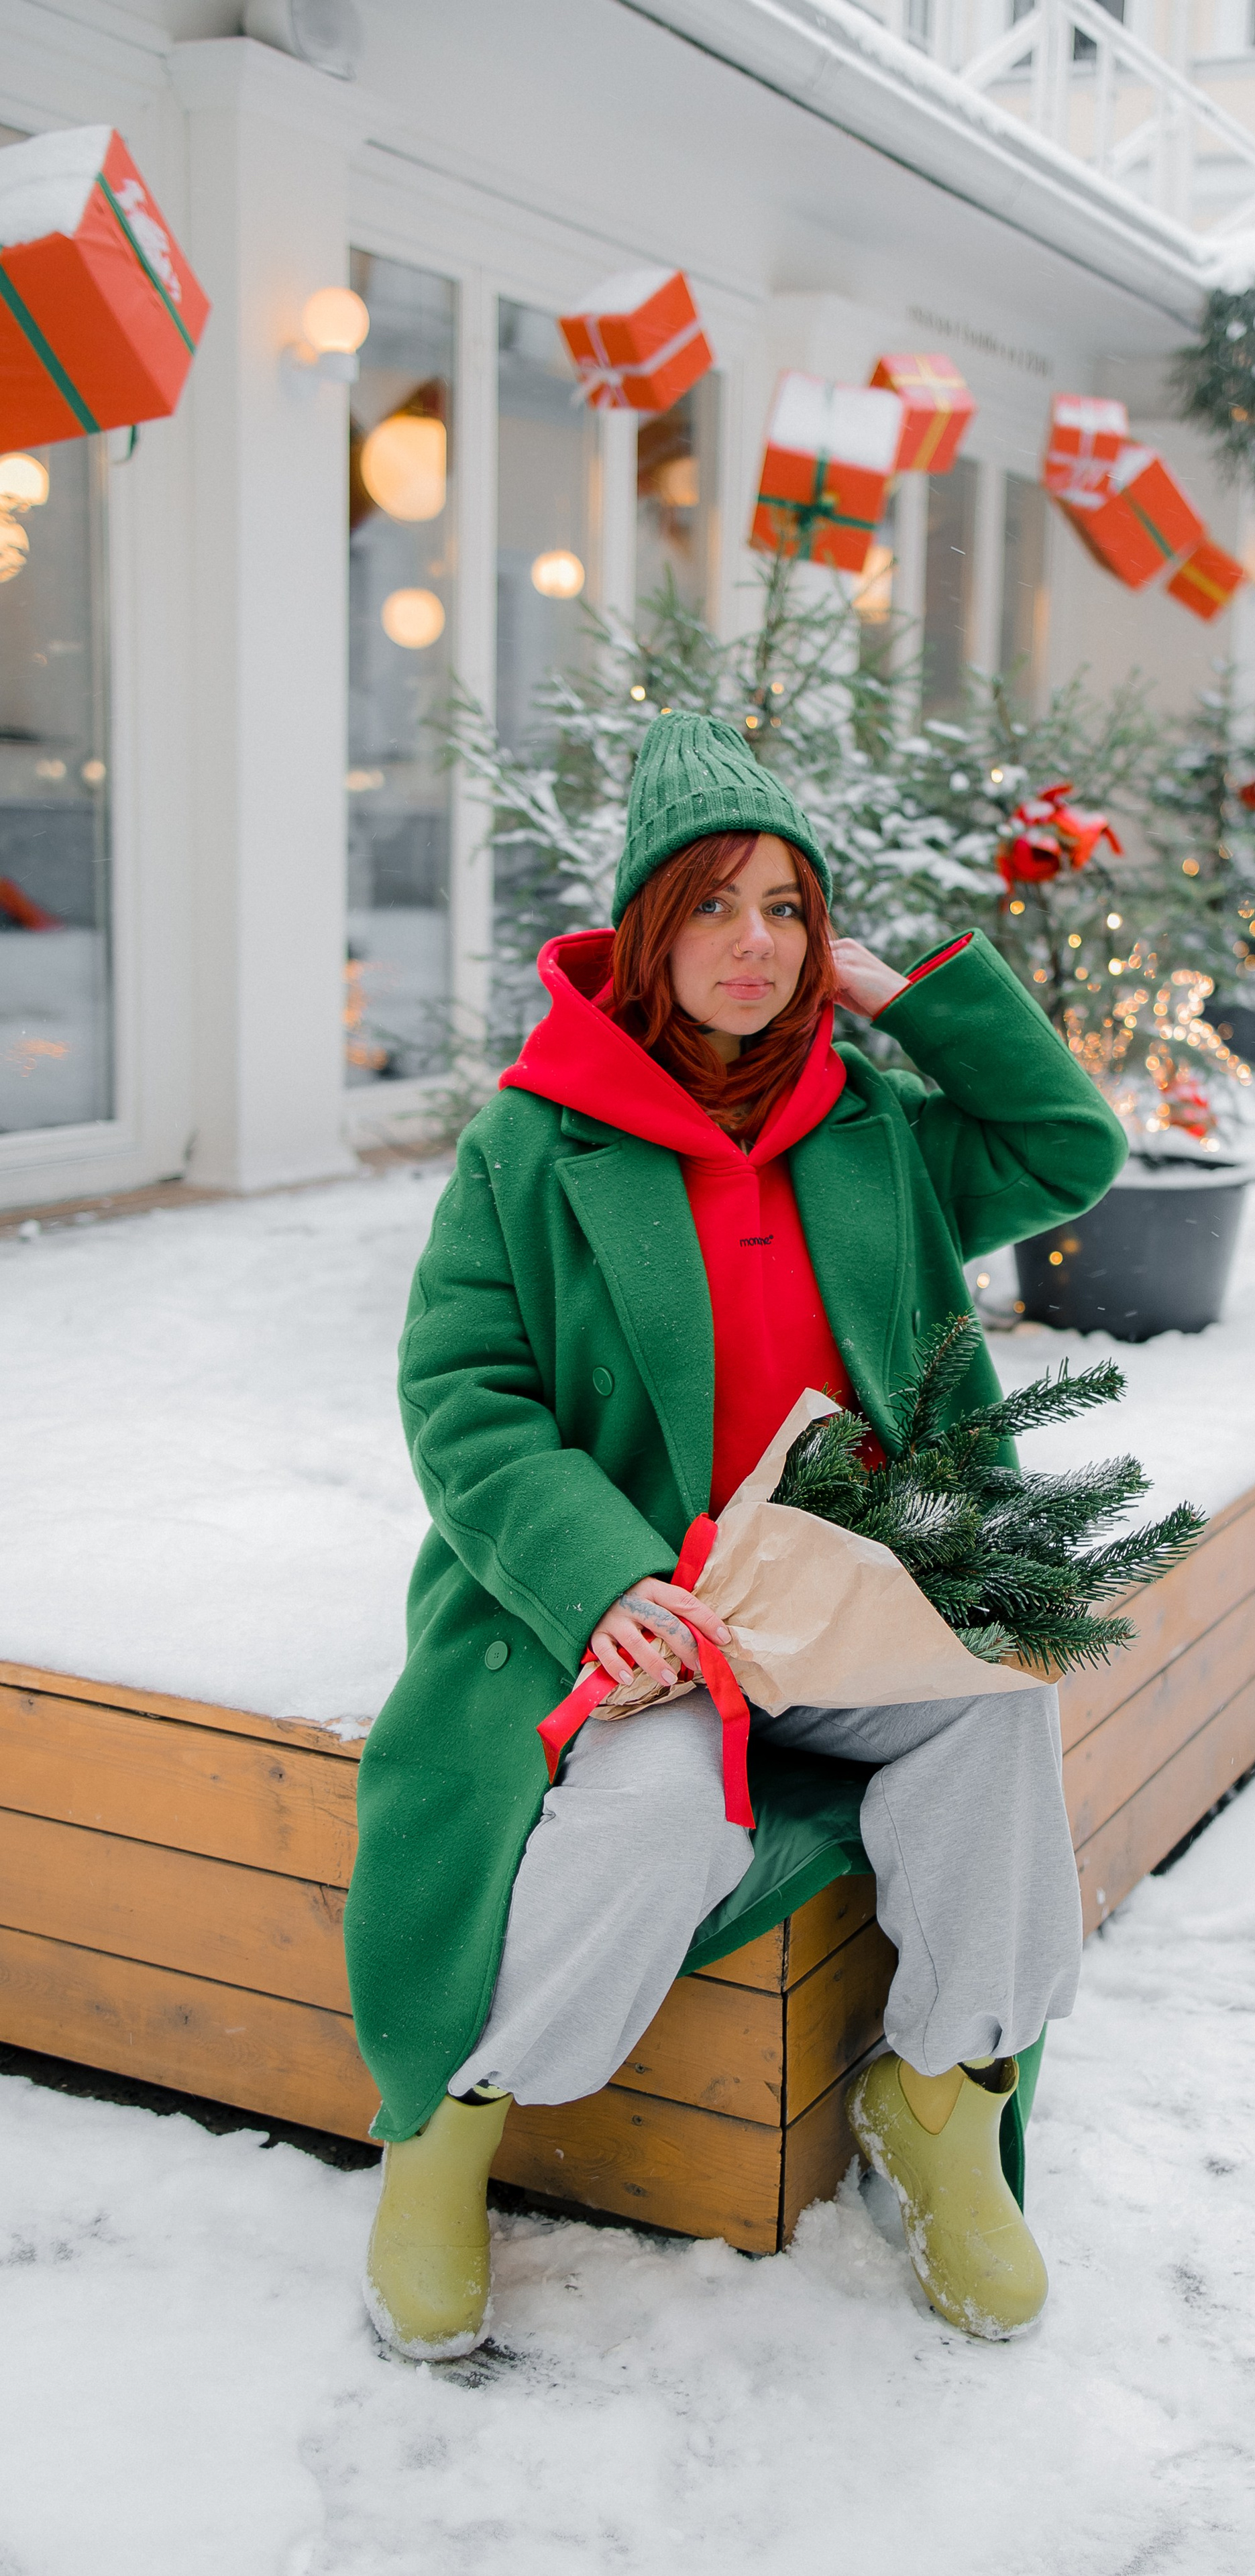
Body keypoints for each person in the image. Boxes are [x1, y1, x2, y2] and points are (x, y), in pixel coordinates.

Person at [345, 712, 1128, 2359]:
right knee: (643, 1825)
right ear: (646, 928)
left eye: (785, 908)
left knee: (996, 1718)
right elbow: (463, 1395)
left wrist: (900, 999)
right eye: (711, 905)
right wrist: (605, 1577)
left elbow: (1068, 1143)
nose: (753, 944)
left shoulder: (869, 1127)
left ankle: (943, 2099)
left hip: (841, 1595)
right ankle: (450, 2129)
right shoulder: (532, 1139)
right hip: (651, 1611)